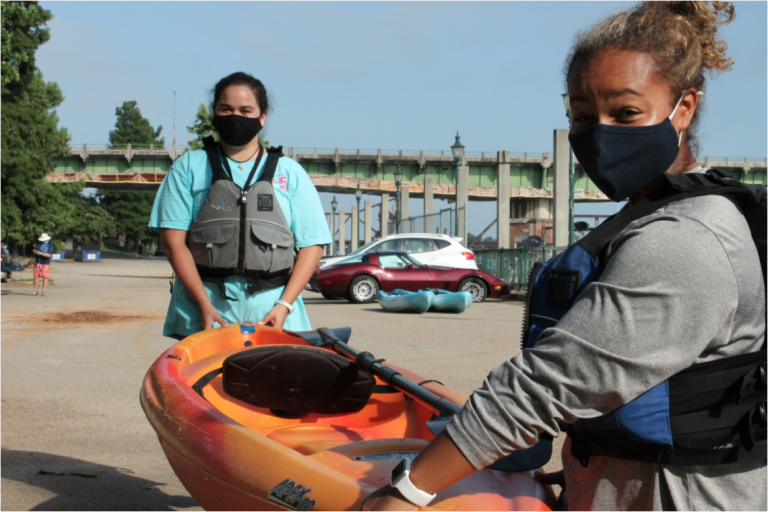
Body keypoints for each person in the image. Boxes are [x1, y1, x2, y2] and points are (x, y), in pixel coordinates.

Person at [363, 2, 765, 511]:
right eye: (581, 115)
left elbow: (544, 386)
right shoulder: (646, 219)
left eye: (625, 113)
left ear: (682, 108)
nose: (599, 132)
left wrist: (405, 491)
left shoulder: (686, 241)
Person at [149, 72, 331, 339]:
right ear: (214, 112)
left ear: (262, 116)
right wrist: (203, 304)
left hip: (274, 317)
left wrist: (284, 306)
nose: (235, 116)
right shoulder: (188, 167)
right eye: (226, 109)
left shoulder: (290, 173)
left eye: (246, 110)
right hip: (203, 315)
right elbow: (172, 243)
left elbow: (313, 246)